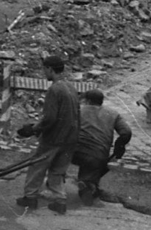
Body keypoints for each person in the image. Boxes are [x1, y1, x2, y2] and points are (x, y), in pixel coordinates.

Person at [16, 54, 79, 214]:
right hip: (71, 137)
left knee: (37, 165)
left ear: (50, 69)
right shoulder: (71, 87)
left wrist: (34, 129)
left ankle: (30, 197)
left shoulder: (54, 89)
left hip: (54, 137)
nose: (44, 72)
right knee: (58, 170)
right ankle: (60, 200)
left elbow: (50, 117)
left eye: (44, 69)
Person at [72, 88, 132, 205]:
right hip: (97, 154)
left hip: (74, 152)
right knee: (94, 166)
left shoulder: (78, 110)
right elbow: (127, 132)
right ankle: (89, 184)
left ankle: (65, 182)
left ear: (88, 101)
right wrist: (118, 147)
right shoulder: (113, 114)